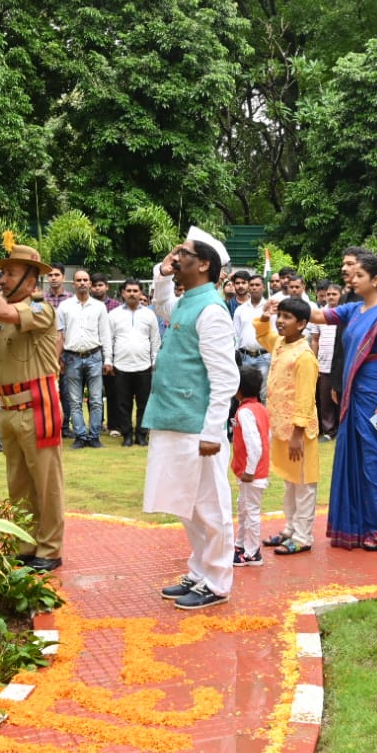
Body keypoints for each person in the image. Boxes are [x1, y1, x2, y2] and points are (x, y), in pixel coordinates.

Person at [146, 227, 240, 609]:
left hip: (198, 425)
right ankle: (200, 571)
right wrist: (162, 273)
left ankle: (217, 582)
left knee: (210, 506)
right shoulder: (189, 301)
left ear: (203, 264)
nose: (175, 255)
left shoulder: (213, 310)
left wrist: (213, 430)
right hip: (174, 418)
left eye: (183, 252)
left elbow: (226, 377)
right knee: (187, 504)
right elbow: (162, 305)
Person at [0, 240, 66, 572]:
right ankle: (26, 545)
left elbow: (5, 312)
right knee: (18, 483)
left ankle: (49, 549)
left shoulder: (40, 309)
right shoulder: (1, 312)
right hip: (7, 410)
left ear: (31, 280)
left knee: (46, 484)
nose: (1, 280)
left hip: (37, 408)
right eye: (0, 274)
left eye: (9, 273)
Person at [307, 251, 377, 550]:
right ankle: (363, 524)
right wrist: (285, 305)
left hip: (376, 396)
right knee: (358, 457)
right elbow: (317, 316)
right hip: (355, 395)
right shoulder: (354, 310)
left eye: (359, 275)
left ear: (375, 280)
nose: (352, 278)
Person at [254, 295, 322, 556]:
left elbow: (306, 398)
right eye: (279, 316)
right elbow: (263, 335)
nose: (280, 322)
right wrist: (264, 314)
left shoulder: (304, 356)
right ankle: (290, 528)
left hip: (299, 432)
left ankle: (303, 537)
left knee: (304, 484)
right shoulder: (282, 344)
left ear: (303, 323)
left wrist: (297, 434)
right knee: (289, 481)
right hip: (280, 427)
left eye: (287, 317)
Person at [57, 268, 112, 449]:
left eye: (85, 280)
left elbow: (105, 334)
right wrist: (59, 358)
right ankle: (80, 435)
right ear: (73, 284)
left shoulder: (99, 307)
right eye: (78, 280)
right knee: (75, 400)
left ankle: (94, 435)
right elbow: (59, 335)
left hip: (94, 356)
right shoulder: (64, 307)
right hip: (71, 357)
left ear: (89, 283)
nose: (82, 283)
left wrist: (108, 360)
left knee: (96, 398)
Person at [110, 279, 160, 446]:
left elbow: (155, 340)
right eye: (129, 290)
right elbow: (109, 340)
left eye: (135, 291)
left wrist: (155, 361)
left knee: (144, 403)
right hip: (121, 366)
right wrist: (108, 361)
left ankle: (141, 434)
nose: (132, 293)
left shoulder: (149, 314)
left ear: (141, 293)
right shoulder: (114, 314)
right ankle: (127, 435)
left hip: (144, 366)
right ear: (123, 293)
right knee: (123, 403)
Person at [230, 367, 272, 568]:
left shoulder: (245, 412)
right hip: (252, 471)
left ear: (238, 389)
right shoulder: (260, 410)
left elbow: (254, 443)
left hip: (251, 473)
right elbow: (266, 438)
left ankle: (252, 552)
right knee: (244, 508)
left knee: (251, 511)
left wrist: (250, 470)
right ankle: (241, 544)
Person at [309, 280, 341, 439]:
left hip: (341, 365)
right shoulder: (319, 314)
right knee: (325, 399)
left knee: (341, 399)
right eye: (328, 294)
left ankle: (342, 429)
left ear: (340, 296)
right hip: (324, 363)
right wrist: (314, 362)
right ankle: (328, 431)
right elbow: (315, 340)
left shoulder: (345, 314)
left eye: (334, 294)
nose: (330, 297)